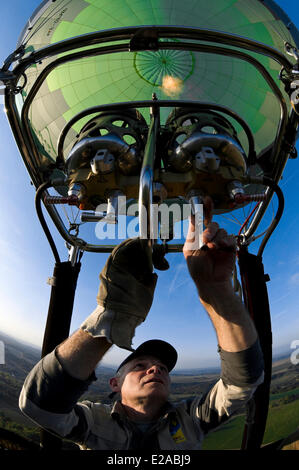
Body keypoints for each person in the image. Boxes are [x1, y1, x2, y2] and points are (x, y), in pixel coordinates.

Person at [19, 204, 264, 450]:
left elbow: (242, 384)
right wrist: (114, 316)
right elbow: (39, 405)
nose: (156, 369)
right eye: (140, 365)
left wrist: (216, 289)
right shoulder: (94, 421)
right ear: (115, 384)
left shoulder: (191, 417)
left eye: (162, 368)